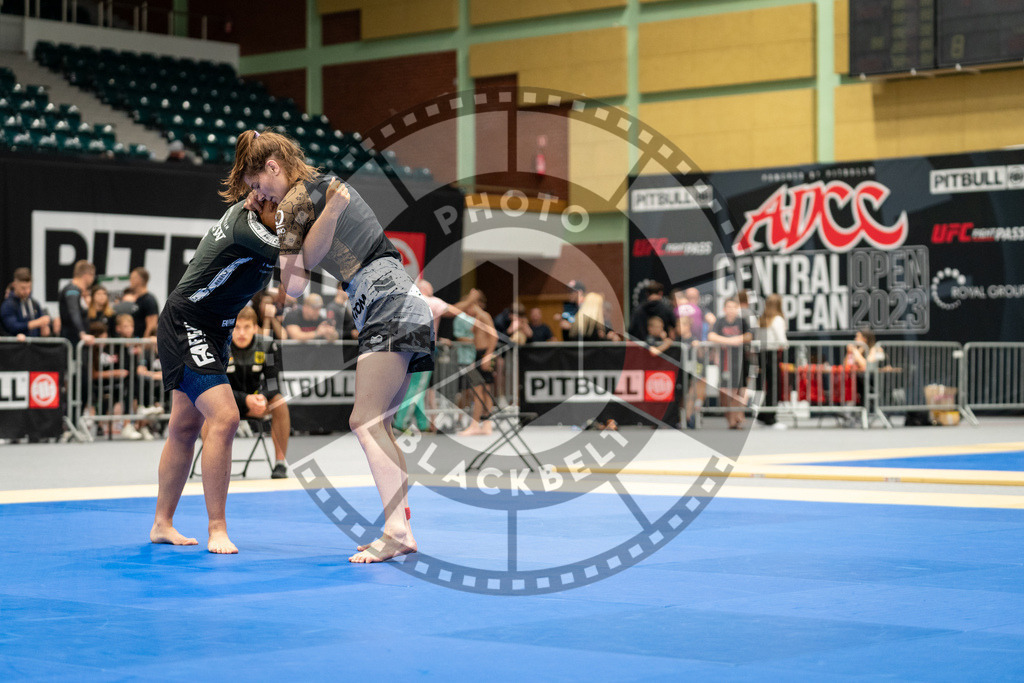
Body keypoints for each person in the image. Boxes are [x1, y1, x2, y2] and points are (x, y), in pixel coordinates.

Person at [227, 129, 434, 563]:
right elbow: (304, 259)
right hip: (400, 301)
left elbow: (295, 284)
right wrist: (326, 212)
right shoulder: (321, 190)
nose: (256, 193)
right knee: (382, 425)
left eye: (256, 184)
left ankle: (396, 530)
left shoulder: (297, 204)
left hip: (386, 303)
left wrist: (317, 213)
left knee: (364, 421)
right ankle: (402, 526)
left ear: (272, 167)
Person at [150, 193, 281, 555]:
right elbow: (300, 255)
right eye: (281, 206)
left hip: (216, 330)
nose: (288, 216)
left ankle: (162, 524)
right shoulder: (247, 230)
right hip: (188, 323)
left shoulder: (257, 215)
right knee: (225, 417)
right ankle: (217, 528)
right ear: (262, 197)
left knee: (183, 426)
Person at [210, 306, 291, 478]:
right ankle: (211, 466)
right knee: (206, 407)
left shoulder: (268, 346)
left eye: (247, 327)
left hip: (256, 402)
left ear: (255, 328)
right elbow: (216, 386)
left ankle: (280, 464)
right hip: (226, 403)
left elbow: (272, 382)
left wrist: (261, 398)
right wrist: (245, 400)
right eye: (237, 327)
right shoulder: (220, 347)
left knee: (279, 402)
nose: (241, 333)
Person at [708, 297, 751, 429]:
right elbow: (711, 336)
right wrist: (731, 341)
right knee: (726, 390)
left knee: (740, 390)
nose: (731, 310)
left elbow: (749, 335)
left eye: (734, 307)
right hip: (725, 361)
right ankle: (731, 417)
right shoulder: (720, 322)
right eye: (729, 307)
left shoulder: (741, 321)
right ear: (724, 309)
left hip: (741, 360)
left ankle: (737, 415)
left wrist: (738, 339)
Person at [755, 293, 788, 428]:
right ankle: (770, 418)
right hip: (773, 354)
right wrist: (786, 345)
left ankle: (763, 415)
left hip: (762, 354)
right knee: (774, 386)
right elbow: (781, 340)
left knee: (768, 387)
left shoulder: (762, 319)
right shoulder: (777, 319)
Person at [1, 268, 52, 338]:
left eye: (29, 287)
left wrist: (45, 328)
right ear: (15, 284)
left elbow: (43, 325)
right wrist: (37, 323)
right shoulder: (8, 305)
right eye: (23, 288)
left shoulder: (34, 304)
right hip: (14, 347)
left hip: (34, 346)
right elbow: (12, 326)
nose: (27, 291)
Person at [59, 260, 97, 347]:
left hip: (76, 341)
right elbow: (73, 311)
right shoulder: (72, 290)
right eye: (92, 275)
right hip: (72, 342)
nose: (93, 279)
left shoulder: (78, 292)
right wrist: (82, 333)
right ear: (86, 275)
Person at [128, 267, 160, 339]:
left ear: (139, 280)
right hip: (136, 343)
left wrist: (143, 345)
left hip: (143, 346)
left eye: (132, 278)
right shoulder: (137, 299)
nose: (130, 281)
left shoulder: (149, 300)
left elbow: (152, 326)